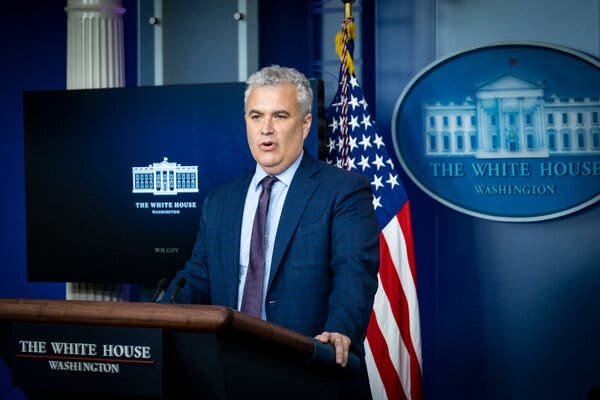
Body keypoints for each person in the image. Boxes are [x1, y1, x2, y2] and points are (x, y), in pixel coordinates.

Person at [162, 65, 379, 370]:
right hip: (230, 367)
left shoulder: (344, 191)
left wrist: (340, 330)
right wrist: (160, 315)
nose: (266, 128)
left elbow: (354, 272)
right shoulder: (220, 201)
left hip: (307, 367)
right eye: (256, 116)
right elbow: (198, 275)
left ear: (305, 125)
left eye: (279, 116)